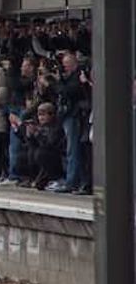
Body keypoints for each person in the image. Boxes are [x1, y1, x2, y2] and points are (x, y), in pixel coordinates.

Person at [55, 53, 88, 194]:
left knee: (72, 150)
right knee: (71, 150)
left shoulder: (78, 76)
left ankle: (71, 182)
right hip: (66, 116)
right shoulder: (68, 77)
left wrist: (58, 81)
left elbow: (68, 91)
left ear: (74, 63)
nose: (64, 67)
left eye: (67, 64)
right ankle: (77, 181)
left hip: (74, 116)